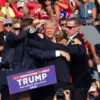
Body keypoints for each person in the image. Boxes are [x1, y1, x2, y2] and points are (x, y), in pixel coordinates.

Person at [64, 17, 92, 100]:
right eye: (66, 26)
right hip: (76, 80)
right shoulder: (71, 39)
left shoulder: (78, 40)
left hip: (80, 81)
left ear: (77, 28)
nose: (66, 29)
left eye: (69, 27)